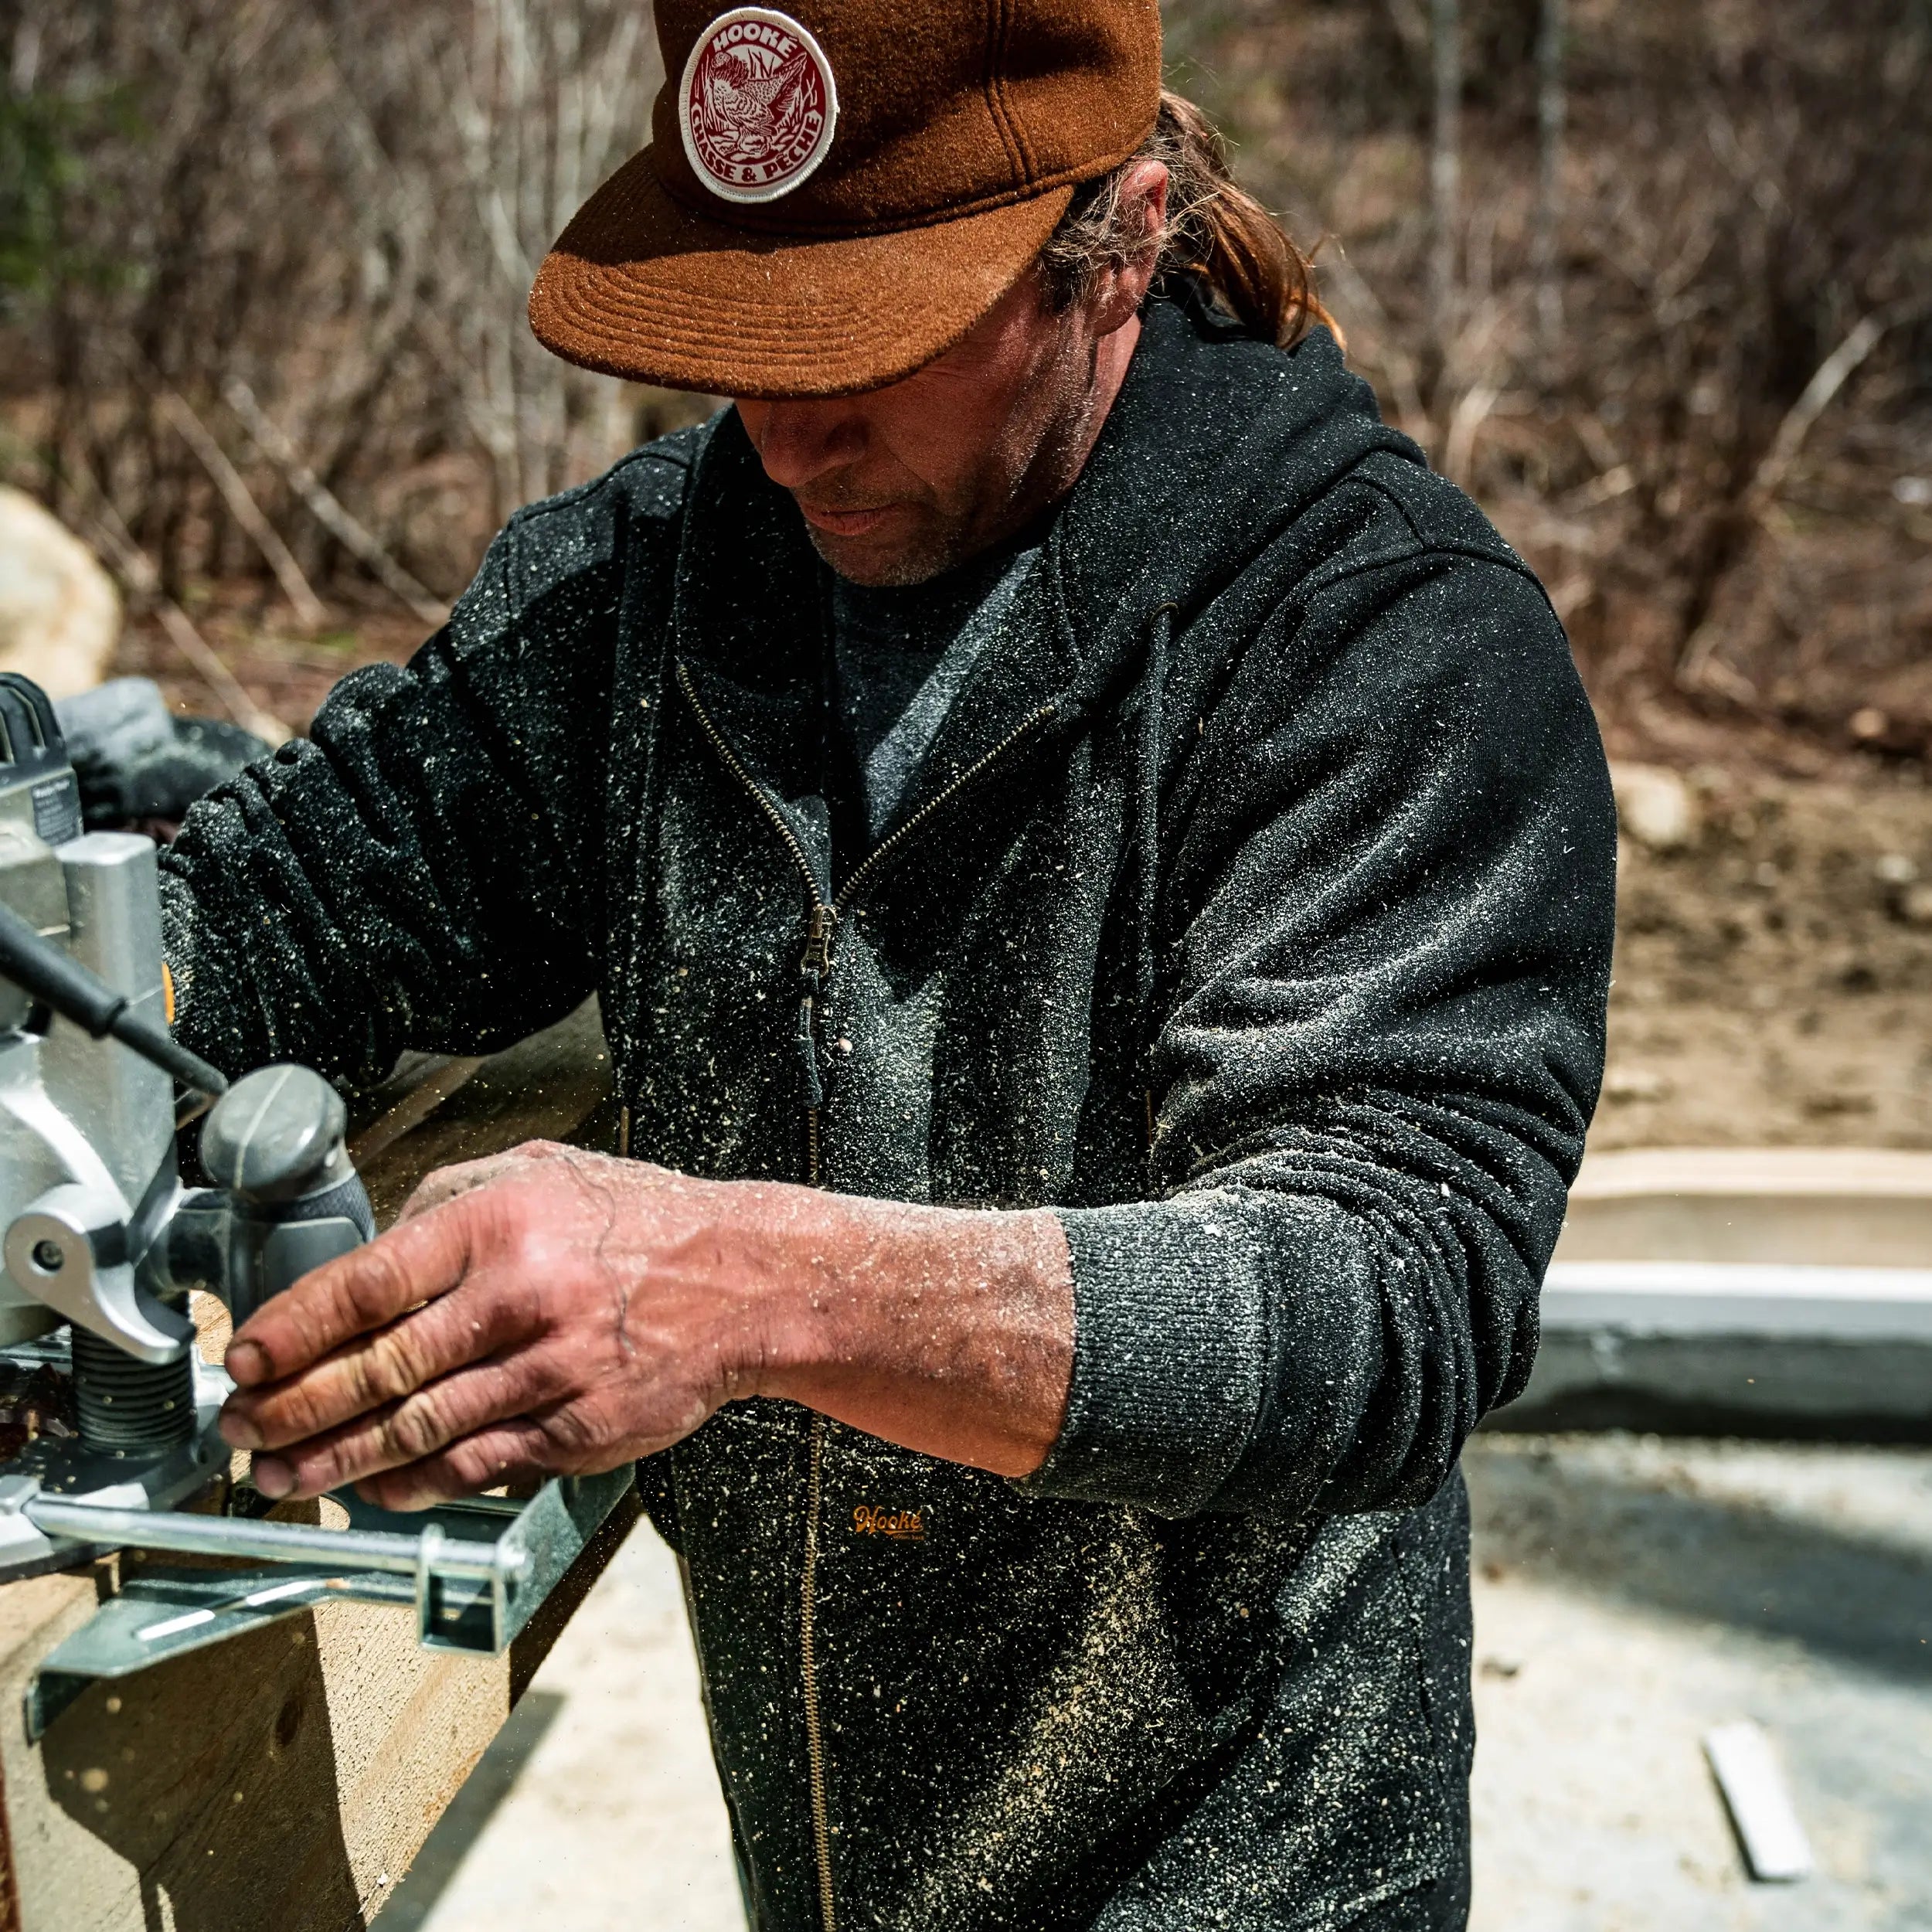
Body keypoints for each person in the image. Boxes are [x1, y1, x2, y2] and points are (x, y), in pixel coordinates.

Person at [160, 4, 1616, 1927]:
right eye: (740, 342)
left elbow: (1377, 1294)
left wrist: (735, 1282)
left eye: (872, 341)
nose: (782, 431)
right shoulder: (651, 596)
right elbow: (268, 914)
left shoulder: (1373, 639)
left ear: (1118, 241)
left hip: (1241, 1870)